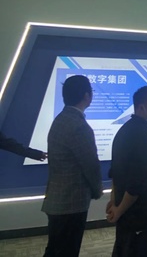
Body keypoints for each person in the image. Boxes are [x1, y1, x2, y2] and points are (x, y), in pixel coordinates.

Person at [42, 75, 103, 257]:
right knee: (67, 250)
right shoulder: (79, 126)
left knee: (55, 249)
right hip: (72, 202)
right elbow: (90, 164)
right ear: (86, 95)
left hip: (57, 199)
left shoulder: (60, 119)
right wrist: (97, 189)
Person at [106, 85, 147, 257]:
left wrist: (115, 202)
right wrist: (119, 209)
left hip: (129, 215)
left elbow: (115, 172)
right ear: (141, 107)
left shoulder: (125, 130)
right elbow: (137, 183)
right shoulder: (143, 136)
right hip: (141, 216)